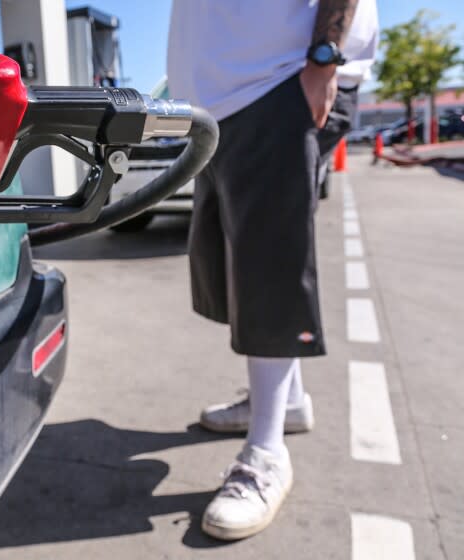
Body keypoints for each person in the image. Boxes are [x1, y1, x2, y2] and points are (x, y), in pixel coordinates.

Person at [166, 0, 378, 540]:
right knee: (238, 260)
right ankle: (287, 403)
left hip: (279, 78)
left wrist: (323, 58)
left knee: (268, 264)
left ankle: (267, 451)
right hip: (224, 99)